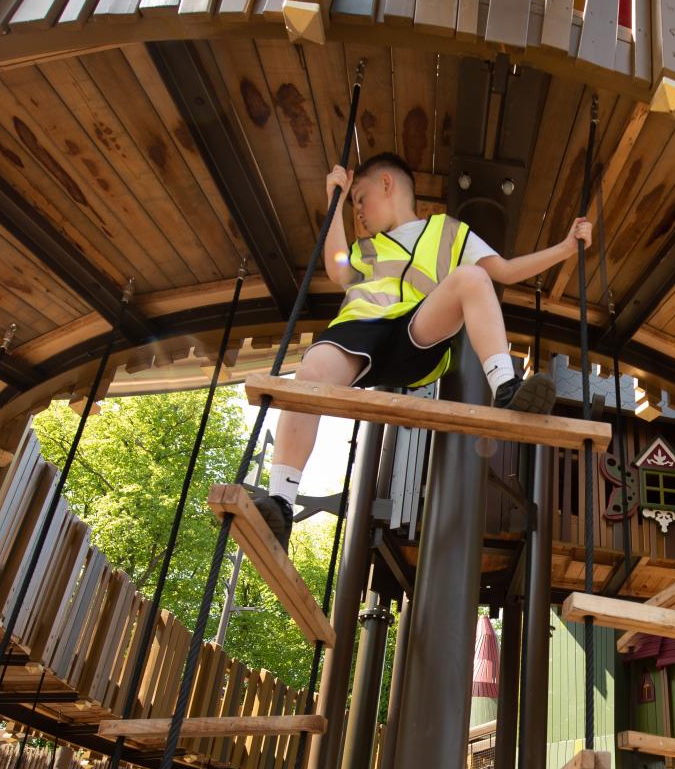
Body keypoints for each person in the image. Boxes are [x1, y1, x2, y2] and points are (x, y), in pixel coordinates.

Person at [248, 152, 594, 549]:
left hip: (417, 331)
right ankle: (281, 501)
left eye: (360, 200)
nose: (358, 213)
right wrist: (336, 201)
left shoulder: (447, 232)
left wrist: (567, 248)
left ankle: (507, 387)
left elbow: (506, 271)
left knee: (473, 277)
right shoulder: (366, 248)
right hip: (357, 334)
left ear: (387, 185)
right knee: (307, 377)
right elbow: (338, 269)